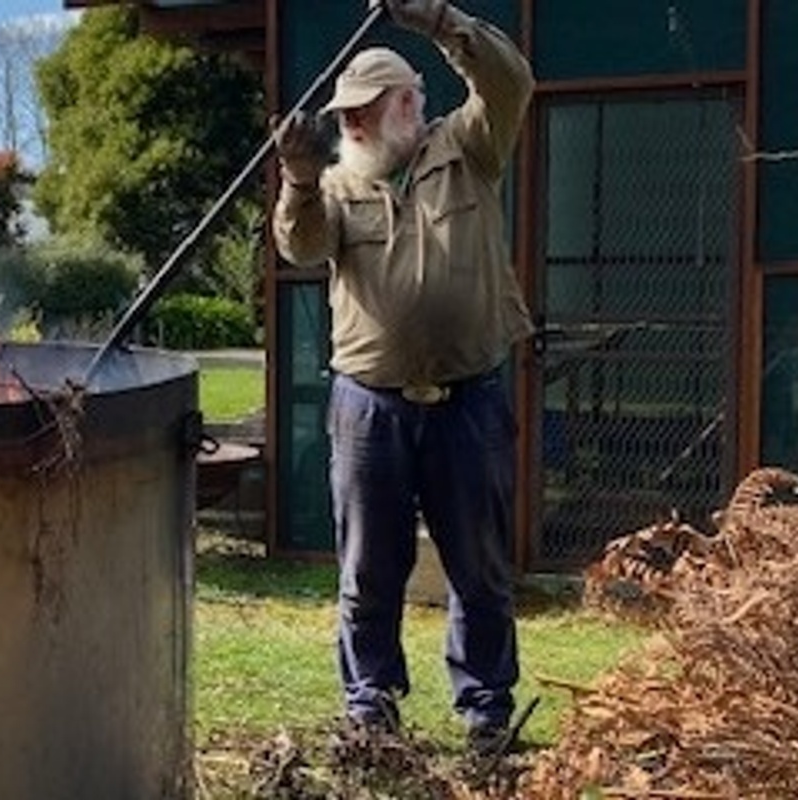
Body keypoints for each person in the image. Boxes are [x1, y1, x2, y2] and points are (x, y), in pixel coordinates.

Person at [270, 0, 535, 753]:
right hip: (369, 406)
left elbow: (511, 80)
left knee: (479, 568)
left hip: (469, 399)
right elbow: (302, 247)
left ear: (410, 104)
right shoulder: (336, 182)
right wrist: (294, 176)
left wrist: (436, 17)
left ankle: (486, 714)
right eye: (345, 115)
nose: (350, 125)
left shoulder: (471, 146)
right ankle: (371, 708)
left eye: (367, 109)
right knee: (367, 572)